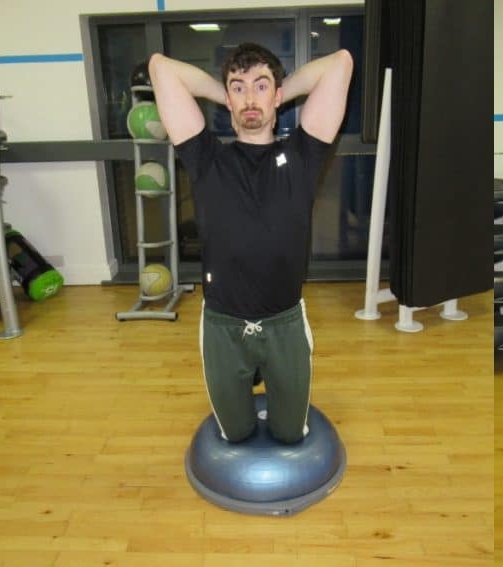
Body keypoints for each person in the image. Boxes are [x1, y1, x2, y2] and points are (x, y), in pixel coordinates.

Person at [148, 43, 353, 444]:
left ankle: (281, 395)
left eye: (261, 87)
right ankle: (239, 399)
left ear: (277, 96)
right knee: (236, 434)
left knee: (291, 435)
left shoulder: (302, 155)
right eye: (238, 88)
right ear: (227, 97)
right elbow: (160, 68)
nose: (249, 98)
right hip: (223, 326)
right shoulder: (206, 158)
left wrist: (276, 88)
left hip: (285, 324)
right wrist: (224, 94)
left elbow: (341, 63)